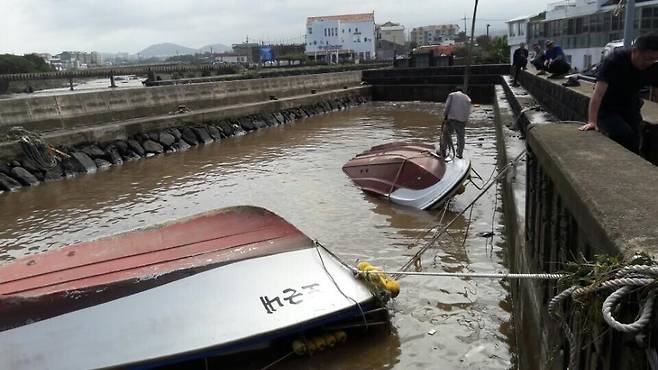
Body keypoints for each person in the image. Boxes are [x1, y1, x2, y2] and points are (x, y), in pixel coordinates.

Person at [579, 33, 658, 154]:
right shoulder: (614, 61)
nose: (649, 63)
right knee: (622, 133)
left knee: (636, 138)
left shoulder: (653, 66)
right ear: (635, 51)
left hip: (630, 105)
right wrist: (592, 121)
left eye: (653, 59)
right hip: (607, 107)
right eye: (646, 58)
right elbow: (598, 93)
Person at [439, 87, 472, 159]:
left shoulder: (452, 95)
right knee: (460, 138)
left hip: (451, 119)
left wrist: (445, 116)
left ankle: (443, 152)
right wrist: (465, 120)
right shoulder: (467, 98)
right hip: (462, 121)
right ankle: (459, 154)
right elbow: (468, 111)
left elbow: (447, 106)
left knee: (446, 135)